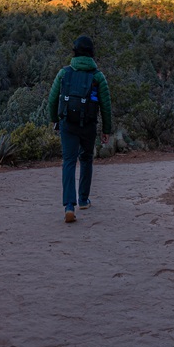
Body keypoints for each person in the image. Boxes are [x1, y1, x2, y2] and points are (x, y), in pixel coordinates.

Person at [48, 34, 112, 223]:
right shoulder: (97, 76)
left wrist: (55, 120)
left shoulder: (63, 73)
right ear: (91, 53)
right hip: (89, 125)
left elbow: (52, 99)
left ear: (74, 52)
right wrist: (106, 130)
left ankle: (69, 205)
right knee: (86, 159)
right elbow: (106, 105)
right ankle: (83, 199)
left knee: (68, 161)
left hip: (68, 123)